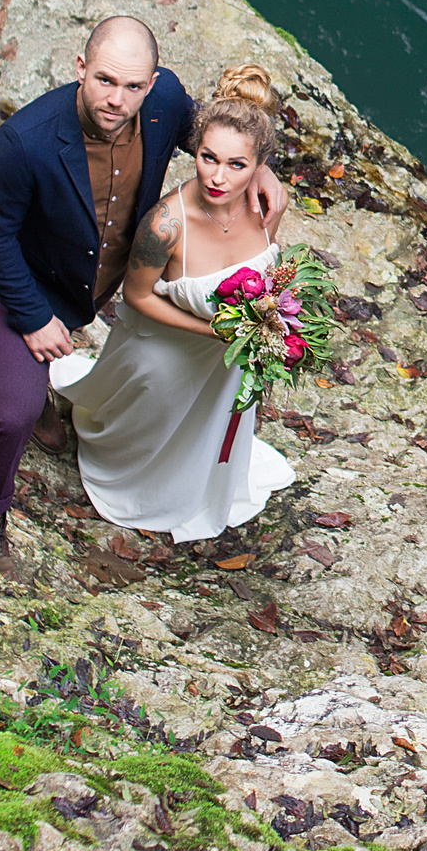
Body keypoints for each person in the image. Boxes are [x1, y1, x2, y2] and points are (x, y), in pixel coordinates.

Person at [0, 18, 276, 578]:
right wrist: (33, 318)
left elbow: (217, 137)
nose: (117, 99)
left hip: (116, 275)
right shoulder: (23, 142)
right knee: (13, 413)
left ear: (152, 84)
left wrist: (261, 171)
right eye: (105, 80)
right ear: (80, 68)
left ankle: (51, 403)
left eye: (133, 86)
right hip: (43, 287)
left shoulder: (166, 103)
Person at [46, 65, 298, 541]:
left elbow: (263, 278)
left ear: (260, 165)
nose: (217, 177)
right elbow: (136, 297)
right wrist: (219, 333)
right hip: (163, 354)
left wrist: (263, 326)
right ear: (195, 150)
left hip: (225, 364)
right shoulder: (165, 224)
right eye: (207, 158)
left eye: (237, 165)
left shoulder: (267, 207)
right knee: (144, 444)